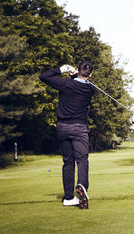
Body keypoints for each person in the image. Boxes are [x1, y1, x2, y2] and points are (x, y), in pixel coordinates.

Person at [39, 61, 95, 209]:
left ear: (78, 70)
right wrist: (75, 76)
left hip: (62, 128)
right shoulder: (90, 89)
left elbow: (43, 76)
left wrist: (62, 70)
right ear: (90, 74)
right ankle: (82, 186)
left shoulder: (65, 84)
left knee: (68, 162)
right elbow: (80, 85)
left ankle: (68, 198)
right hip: (79, 128)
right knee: (82, 160)